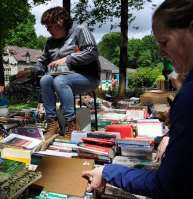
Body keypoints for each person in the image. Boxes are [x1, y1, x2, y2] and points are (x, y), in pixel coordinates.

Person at [82, 0, 193, 198]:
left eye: (164, 42)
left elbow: (167, 186)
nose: (160, 53)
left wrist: (108, 171)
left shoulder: (189, 96)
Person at [16, 7, 101, 139]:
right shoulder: (50, 42)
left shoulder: (80, 30)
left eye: (50, 26)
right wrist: (30, 71)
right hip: (63, 78)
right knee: (45, 80)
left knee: (60, 80)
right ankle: (52, 122)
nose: (47, 30)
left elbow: (92, 52)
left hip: (88, 77)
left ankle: (70, 124)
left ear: (60, 23)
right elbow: (43, 62)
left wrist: (67, 58)